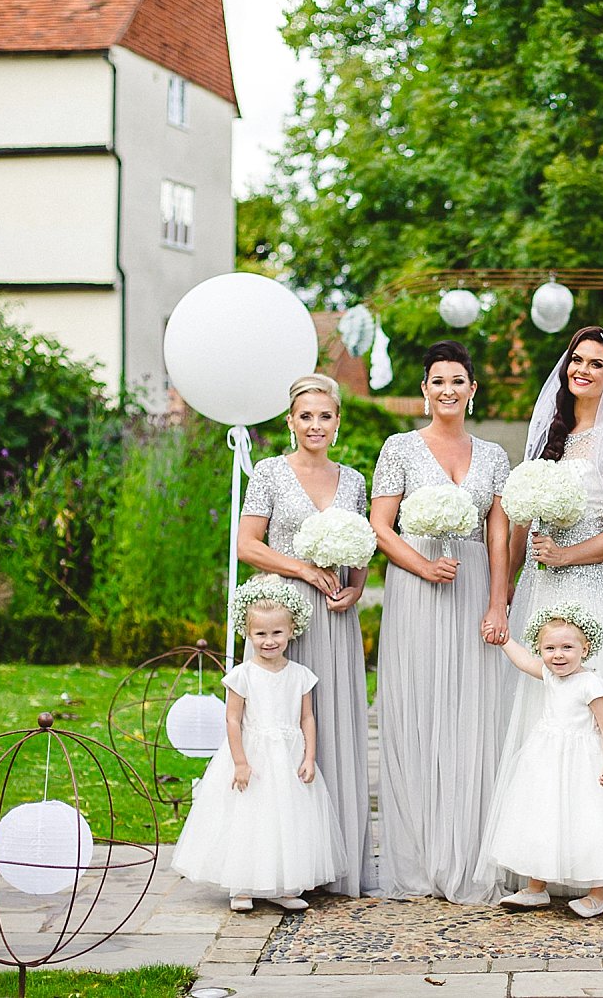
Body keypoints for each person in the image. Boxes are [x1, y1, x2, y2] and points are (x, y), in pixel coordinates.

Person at [506, 326, 603, 844]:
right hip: (541, 585)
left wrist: (567, 555)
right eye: (577, 360)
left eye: (596, 364)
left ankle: (597, 848)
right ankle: (542, 846)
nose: (583, 370)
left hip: (589, 585)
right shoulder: (549, 437)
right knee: (543, 712)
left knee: (590, 707)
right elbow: (518, 520)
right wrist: (506, 587)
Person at [370, 340, 513, 904]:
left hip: (474, 585)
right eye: (437, 381)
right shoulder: (399, 449)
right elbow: (381, 526)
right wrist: (423, 566)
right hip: (416, 588)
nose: (448, 390)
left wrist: (499, 601)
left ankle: (470, 853)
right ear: (424, 390)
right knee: (419, 709)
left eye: (458, 380)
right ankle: (421, 859)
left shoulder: (495, 456)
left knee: (474, 716)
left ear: (473, 390)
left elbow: (498, 534)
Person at [237, 372, 374, 896]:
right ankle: (277, 864)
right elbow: (248, 545)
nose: (315, 424)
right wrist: (301, 570)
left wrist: (355, 588)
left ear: (337, 422)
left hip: (337, 617)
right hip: (287, 616)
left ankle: (333, 864)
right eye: (306, 415)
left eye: (325, 415)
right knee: (281, 730)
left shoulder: (355, 480)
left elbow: (361, 547)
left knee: (333, 726)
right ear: (291, 422)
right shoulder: (271, 472)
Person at [479, 603, 603, 917]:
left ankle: (597, 893)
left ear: (585, 648)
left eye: (567, 647)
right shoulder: (549, 675)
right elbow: (524, 661)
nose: (558, 655)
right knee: (544, 818)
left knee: (591, 823)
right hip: (547, 759)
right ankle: (536, 888)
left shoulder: (591, 683)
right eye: (550, 648)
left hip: (583, 763)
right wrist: (504, 641)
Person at [172, 580, 347, 911]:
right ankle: (242, 885)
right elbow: (233, 720)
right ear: (248, 634)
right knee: (248, 818)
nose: (269, 641)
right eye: (261, 634)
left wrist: (310, 756)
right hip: (253, 756)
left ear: (291, 631)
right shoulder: (242, 676)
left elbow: (307, 718)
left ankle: (281, 883)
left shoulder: (300, 675)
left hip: (289, 757)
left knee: (286, 821)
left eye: (277, 633)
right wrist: (240, 762)